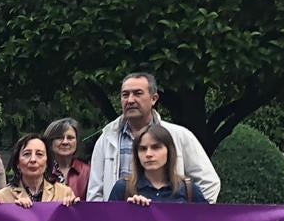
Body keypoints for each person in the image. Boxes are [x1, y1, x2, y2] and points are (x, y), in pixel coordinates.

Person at [87, 72, 219, 201]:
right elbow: (95, 193)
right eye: (125, 95)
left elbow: (209, 182)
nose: (130, 100)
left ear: (154, 98)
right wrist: (106, 220)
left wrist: (189, 218)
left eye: (138, 93)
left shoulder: (179, 135)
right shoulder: (106, 139)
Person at [108, 124, 208, 204]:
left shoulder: (188, 189)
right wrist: (129, 211)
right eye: (142, 149)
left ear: (169, 151)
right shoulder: (123, 188)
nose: (148, 154)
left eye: (156, 147)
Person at [0, 134, 78, 206]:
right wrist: (16, 211)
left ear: (47, 162)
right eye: (27, 154)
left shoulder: (64, 193)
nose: (33, 159)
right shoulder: (2, 198)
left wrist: (74, 209)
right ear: (17, 163)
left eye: (39, 154)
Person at [44, 117, 91, 200]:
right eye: (59, 138)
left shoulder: (88, 172)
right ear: (50, 143)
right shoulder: (42, 171)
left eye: (70, 138)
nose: (65, 142)